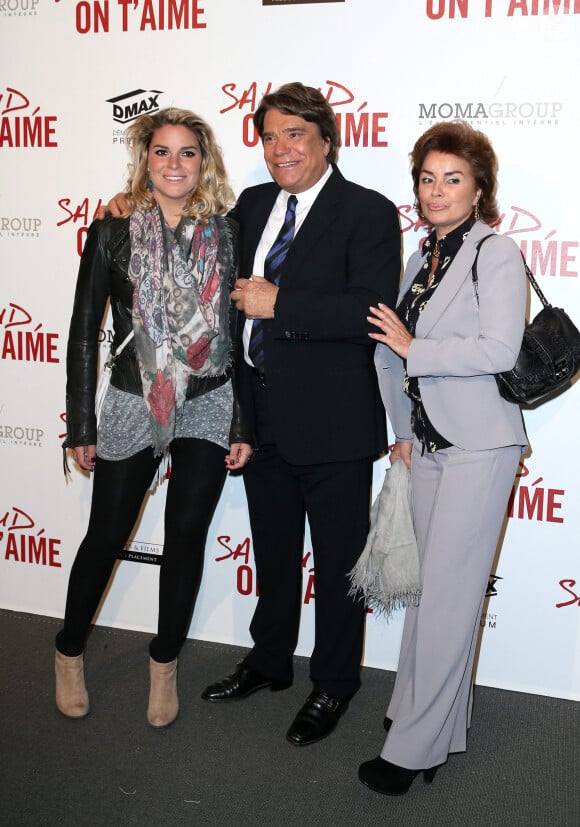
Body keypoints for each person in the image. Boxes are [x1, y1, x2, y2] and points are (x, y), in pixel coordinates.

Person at [199, 82, 401, 746]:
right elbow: (198, 242)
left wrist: (280, 303)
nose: (281, 148)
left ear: (326, 141)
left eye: (295, 134)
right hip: (264, 415)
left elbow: (369, 311)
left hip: (336, 422)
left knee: (340, 563)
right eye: (270, 135)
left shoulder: (365, 211)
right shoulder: (253, 203)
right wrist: (130, 210)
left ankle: (335, 682)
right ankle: (269, 662)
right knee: (276, 552)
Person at [55, 107, 252, 728]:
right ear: (145, 161)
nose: (174, 164)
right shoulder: (112, 231)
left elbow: (236, 334)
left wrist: (241, 422)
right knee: (106, 535)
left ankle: (163, 662)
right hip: (131, 397)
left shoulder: (228, 232)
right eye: (161, 152)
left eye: (187, 152)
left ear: (205, 161)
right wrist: (81, 425)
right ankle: (68, 651)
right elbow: (84, 329)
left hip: (209, 396)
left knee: (187, 535)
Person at [358, 121, 528, 794]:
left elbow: (499, 351)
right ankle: (427, 723)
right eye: (427, 178)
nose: (436, 190)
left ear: (479, 186)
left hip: (480, 447)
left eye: (452, 178)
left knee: (452, 600)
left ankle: (410, 749)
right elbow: (386, 349)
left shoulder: (497, 252)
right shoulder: (422, 256)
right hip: (426, 445)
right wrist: (399, 426)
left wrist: (412, 349)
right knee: (436, 595)